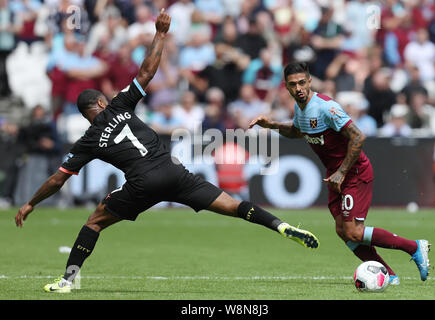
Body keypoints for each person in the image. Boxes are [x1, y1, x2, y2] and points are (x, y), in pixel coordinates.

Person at [14, 10, 319, 294]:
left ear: (86, 114)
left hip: (142, 184)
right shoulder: (121, 104)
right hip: (174, 172)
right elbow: (147, 72)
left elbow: (58, 179)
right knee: (233, 205)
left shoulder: (89, 139)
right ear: (103, 102)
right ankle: (280, 225)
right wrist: (160, 33)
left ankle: (68, 280)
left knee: (94, 221)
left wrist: (30, 204)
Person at [250, 61, 431, 285]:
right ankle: (390, 275)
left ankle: (414, 247)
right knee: (342, 231)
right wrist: (273, 125)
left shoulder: (326, 107)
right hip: (335, 174)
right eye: (293, 84)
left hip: (353, 172)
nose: (298, 88)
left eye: (302, 83)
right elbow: (298, 131)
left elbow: (358, 136)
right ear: (286, 87)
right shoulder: (300, 107)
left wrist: (342, 172)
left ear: (310, 81)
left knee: (353, 231)